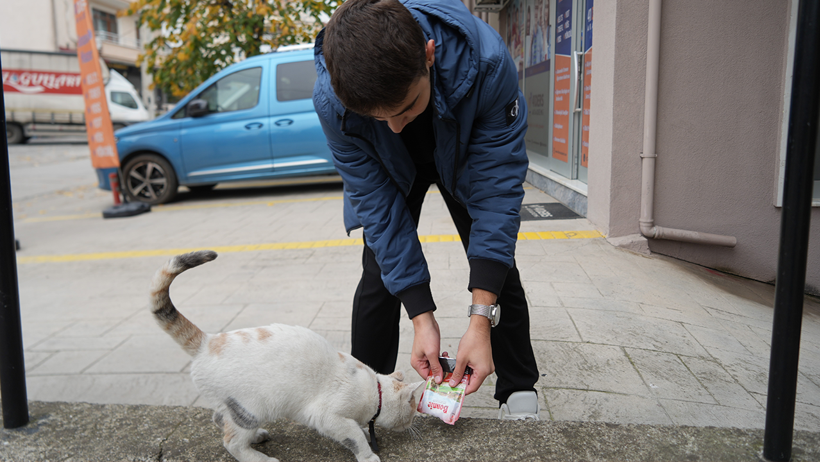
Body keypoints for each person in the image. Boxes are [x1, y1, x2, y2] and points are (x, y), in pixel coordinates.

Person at [313, 0, 540, 419]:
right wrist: (421, 316)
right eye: (379, 118)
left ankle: (519, 387)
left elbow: (497, 194)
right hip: (390, 166)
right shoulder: (333, 102)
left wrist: (479, 320)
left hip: (465, 153)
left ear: (429, 55)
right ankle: (367, 395)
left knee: (495, 262)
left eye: (405, 109)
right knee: (379, 269)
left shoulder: (487, 63)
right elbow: (378, 211)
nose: (396, 125)